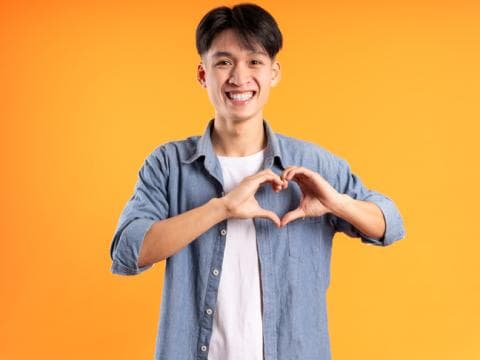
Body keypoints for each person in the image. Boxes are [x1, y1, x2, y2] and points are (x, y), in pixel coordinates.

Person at [109, 3, 406, 360]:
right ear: (203, 74)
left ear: (274, 72)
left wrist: (336, 203)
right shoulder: (170, 164)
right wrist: (221, 208)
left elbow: (390, 224)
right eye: (223, 62)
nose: (239, 77)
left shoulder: (311, 164)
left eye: (254, 61)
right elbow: (127, 251)